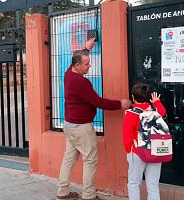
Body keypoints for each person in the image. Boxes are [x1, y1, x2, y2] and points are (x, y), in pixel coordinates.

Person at [56, 38, 132, 200]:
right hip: (81, 128)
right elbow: (99, 102)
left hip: (69, 125)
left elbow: (76, 59)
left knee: (69, 158)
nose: (89, 66)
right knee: (90, 160)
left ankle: (62, 192)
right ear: (77, 65)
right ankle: (89, 195)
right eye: (86, 64)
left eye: (89, 63)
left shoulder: (68, 74)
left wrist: (86, 49)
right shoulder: (81, 82)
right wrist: (121, 104)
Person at [122, 83, 166, 200]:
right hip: (155, 150)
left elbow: (127, 137)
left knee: (133, 183)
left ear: (133, 97)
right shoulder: (155, 111)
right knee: (153, 185)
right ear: (148, 97)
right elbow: (163, 111)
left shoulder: (131, 114)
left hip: (137, 152)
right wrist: (156, 101)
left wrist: (128, 152)